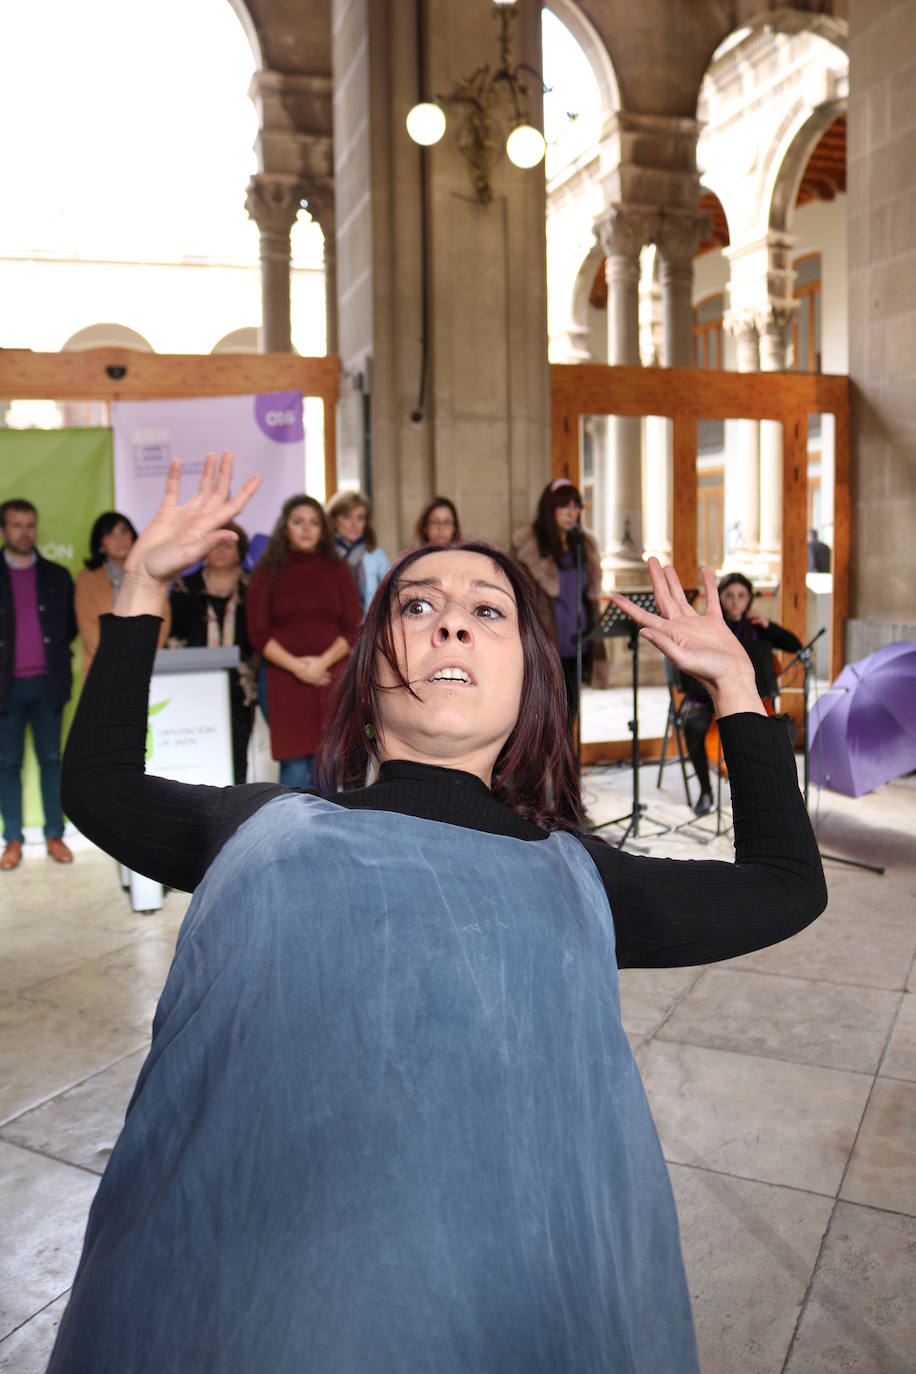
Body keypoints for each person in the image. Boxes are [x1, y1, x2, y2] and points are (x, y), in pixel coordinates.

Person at [49, 453, 826, 1373]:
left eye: (487, 610)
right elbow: (100, 788)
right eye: (415, 607)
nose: (450, 617)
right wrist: (140, 584)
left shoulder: (580, 879)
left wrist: (739, 691)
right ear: (369, 679)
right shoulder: (259, 829)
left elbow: (786, 884)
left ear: (534, 687)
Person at [246, 494, 361, 789]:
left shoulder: (338, 571)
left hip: (330, 677)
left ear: (323, 528)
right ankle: (295, 833)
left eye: (313, 523)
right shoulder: (267, 573)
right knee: (295, 768)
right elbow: (258, 633)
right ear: (285, 529)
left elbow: (353, 626)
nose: (306, 529)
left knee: (328, 763)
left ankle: (326, 833)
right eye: (298, 523)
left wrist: (320, 664)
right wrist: (298, 668)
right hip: (283, 679)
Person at [680, 571, 803, 816]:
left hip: (751, 702)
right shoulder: (709, 627)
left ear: (749, 599)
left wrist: (770, 626)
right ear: (720, 599)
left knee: (782, 731)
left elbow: (794, 645)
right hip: (709, 701)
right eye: (729, 596)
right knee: (693, 725)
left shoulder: (758, 628)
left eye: (741, 596)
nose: (735, 602)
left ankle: (767, 790)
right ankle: (705, 790)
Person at [0, 498, 78, 870]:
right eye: (16, 525)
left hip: (48, 684)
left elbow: (69, 629)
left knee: (51, 760)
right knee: (7, 763)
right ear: (3, 530)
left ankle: (54, 834)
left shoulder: (57, 576)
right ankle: (12, 839)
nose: (24, 532)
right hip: (5, 688)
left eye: (30, 525)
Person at [511, 478, 606, 730]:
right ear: (549, 508)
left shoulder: (583, 544)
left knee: (570, 714)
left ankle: (566, 768)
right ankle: (544, 769)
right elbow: (517, 597)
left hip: (578, 644)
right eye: (565, 506)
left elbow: (589, 594)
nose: (572, 512)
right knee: (544, 720)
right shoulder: (529, 546)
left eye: (576, 506)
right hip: (547, 644)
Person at [167, 521, 256, 784]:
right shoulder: (185, 586)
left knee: (237, 754)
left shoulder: (252, 587)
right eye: (214, 544)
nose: (220, 550)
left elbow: (259, 635)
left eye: (227, 545)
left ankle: (236, 811)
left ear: (240, 552)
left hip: (240, 684)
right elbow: (174, 634)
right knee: (198, 751)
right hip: (193, 683)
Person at [75, 511, 170, 682]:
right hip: (102, 668)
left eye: (124, 531)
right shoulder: (87, 578)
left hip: (147, 665)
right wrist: (117, 660)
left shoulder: (151, 572)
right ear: (101, 545)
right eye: (110, 534)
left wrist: (146, 654)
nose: (119, 539)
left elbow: (163, 618)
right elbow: (88, 625)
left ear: (133, 536)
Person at [326, 488, 390, 613]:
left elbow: (390, 595)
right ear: (333, 520)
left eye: (360, 518)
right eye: (347, 517)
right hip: (331, 626)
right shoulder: (324, 554)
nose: (354, 524)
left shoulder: (377, 555)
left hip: (367, 626)